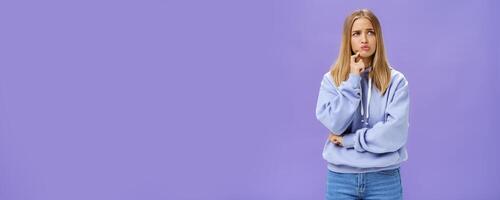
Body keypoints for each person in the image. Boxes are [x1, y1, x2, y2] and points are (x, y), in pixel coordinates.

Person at [315, 9, 410, 200]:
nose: (364, 39)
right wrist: (353, 80)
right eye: (356, 33)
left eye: (370, 32)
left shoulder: (396, 82)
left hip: (384, 179)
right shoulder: (331, 80)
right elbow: (335, 125)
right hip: (341, 179)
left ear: (378, 38)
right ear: (348, 39)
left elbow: (394, 135)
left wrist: (348, 141)